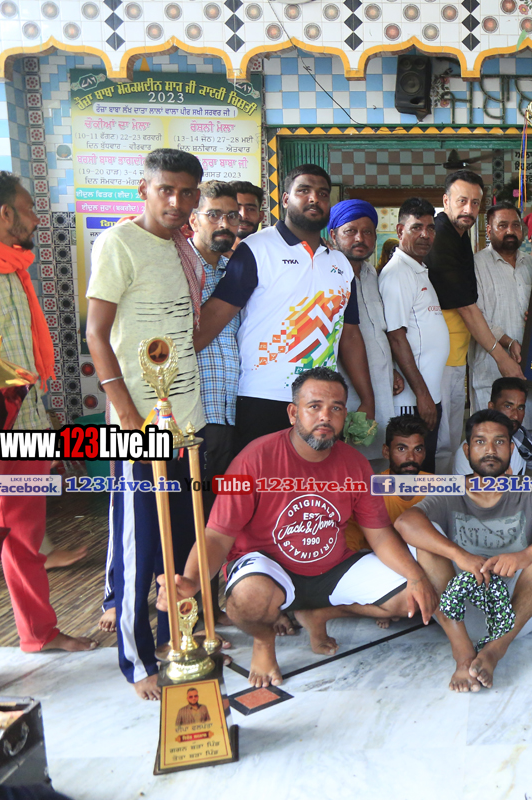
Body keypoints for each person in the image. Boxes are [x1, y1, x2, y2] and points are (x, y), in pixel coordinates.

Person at [159, 367, 438, 689]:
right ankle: (264, 643)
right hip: (269, 569)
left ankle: (318, 612)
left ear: (344, 416)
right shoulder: (254, 459)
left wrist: (416, 577)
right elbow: (217, 537)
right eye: (314, 406)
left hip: (333, 567)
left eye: (336, 408)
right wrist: (192, 581)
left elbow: (379, 534)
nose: (325, 416)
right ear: (293, 413)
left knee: (410, 599)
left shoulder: (355, 464)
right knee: (248, 599)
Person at [86, 149, 208, 698]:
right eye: (166, 189)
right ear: (144, 189)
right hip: (139, 423)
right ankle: (137, 661)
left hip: (186, 419)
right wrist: (128, 412)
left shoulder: (182, 246)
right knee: (139, 545)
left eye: (187, 192)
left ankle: (176, 637)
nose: (176, 201)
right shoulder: (119, 242)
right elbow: (96, 332)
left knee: (180, 542)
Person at [0, 169, 94, 654]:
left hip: (27, 427)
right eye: (29, 208)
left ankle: (38, 634)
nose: (38, 218)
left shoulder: (14, 266)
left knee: (25, 537)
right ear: (5, 213)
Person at [395, 409, 532, 692]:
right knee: (425, 537)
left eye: (499, 441)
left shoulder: (531, 489)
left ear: (511, 449)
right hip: (458, 608)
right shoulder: (451, 488)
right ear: (467, 450)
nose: (490, 450)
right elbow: (405, 522)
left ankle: (496, 649)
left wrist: (526, 555)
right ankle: (462, 651)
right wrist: (460, 555)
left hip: (518, 611)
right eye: (481, 442)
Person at [197, 164, 371, 454]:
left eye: (323, 193)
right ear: (286, 199)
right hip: (262, 398)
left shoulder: (340, 264)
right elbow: (215, 315)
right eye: (304, 190)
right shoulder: (256, 248)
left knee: (317, 482)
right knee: (262, 481)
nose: (314, 198)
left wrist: (367, 398)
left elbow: (350, 335)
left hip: (321, 404)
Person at [425, 170, 524, 473]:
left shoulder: (459, 236)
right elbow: (468, 308)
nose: (468, 209)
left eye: (475, 203)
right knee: (441, 442)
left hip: (455, 355)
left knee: (450, 437)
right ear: (446, 201)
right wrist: (502, 358)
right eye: (462, 201)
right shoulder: (441, 237)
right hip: (436, 359)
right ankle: (439, 499)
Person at [329, 199, 404, 463]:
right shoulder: (328, 276)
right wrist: (365, 397)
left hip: (380, 385)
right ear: (333, 235)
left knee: (380, 459)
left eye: (367, 231)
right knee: (346, 462)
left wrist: (390, 367)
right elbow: (345, 337)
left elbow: (377, 331)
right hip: (349, 390)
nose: (360, 238)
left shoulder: (372, 274)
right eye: (350, 231)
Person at [378, 197, 450, 473]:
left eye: (430, 228)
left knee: (424, 472)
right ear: (400, 231)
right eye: (416, 227)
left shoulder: (417, 269)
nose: (425, 235)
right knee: (410, 473)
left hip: (425, 397)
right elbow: (396, 337)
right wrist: (422, 395)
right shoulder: (398, 273)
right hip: (412, 401)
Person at [190, 181, 241, 481]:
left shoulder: (237, 272)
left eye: (232, 216)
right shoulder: (177, 267)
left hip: (233, 414)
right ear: (193, 220)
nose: (224, 224)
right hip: (191, 416)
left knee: (225, 502)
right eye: (213, 215)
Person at [471, 201, 532, 413]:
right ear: (489, 230)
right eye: (502, 225)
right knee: (492, 429)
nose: (510, 231)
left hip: (530, 371)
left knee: (530, 430)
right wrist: (509, 342)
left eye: (516, 225)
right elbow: (475, 316)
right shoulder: (476, 265)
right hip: (491, 372)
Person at [452, 377, 532, 476]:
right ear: (491, 407)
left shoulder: (521, 439)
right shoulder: (474, 451)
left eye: (520, 408)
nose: (515, 416)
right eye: (508, 406)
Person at [229, 180, 264, 248]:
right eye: (236, 208)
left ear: (261, 216)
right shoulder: (211, 253)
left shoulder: (270, 252)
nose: (244, 215)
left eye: (250, 209)